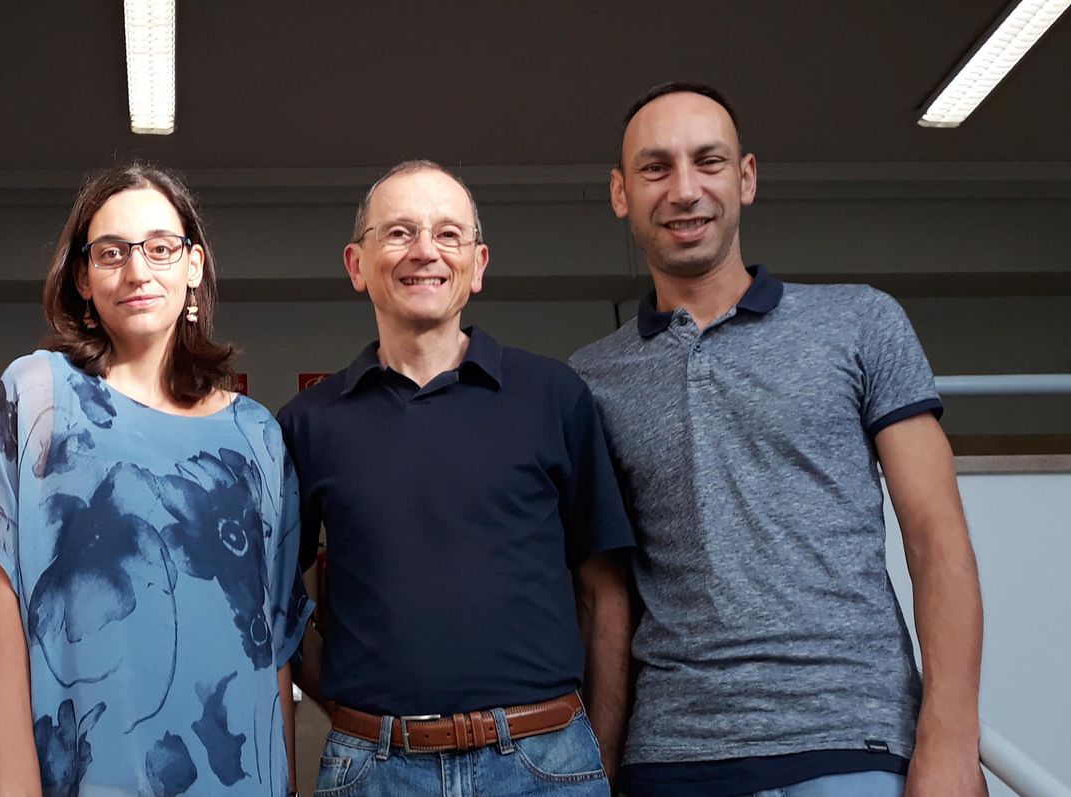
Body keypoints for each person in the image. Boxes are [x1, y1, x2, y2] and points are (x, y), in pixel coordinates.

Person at [569, 82, 986, 797]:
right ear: (620, 193)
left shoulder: (861, 323)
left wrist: (950, 743)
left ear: (747, 177)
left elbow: (935, 536)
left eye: (709, 161)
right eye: (656, 167)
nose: (685, 188)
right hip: (672, 755)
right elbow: (605, 596)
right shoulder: (588, 380)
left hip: (851, 742)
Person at [277, 160, 636, 796]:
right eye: (398, 233)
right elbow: (278, 599)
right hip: (375, 773)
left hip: (547, 764)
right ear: (357, 265)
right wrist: (357, 715)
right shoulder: (308, 422)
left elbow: (604, 591)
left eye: (449, 235)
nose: (425, 252)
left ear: (478, 263)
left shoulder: (554, 395)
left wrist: (599, 758)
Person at [0, 162, 311, 797]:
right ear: (83, 278)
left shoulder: (257, 435)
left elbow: (272, 639)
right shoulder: (39, 395)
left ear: (193, 266)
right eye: (112, 252)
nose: (138, 271)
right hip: (92, 771)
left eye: (160, 248)